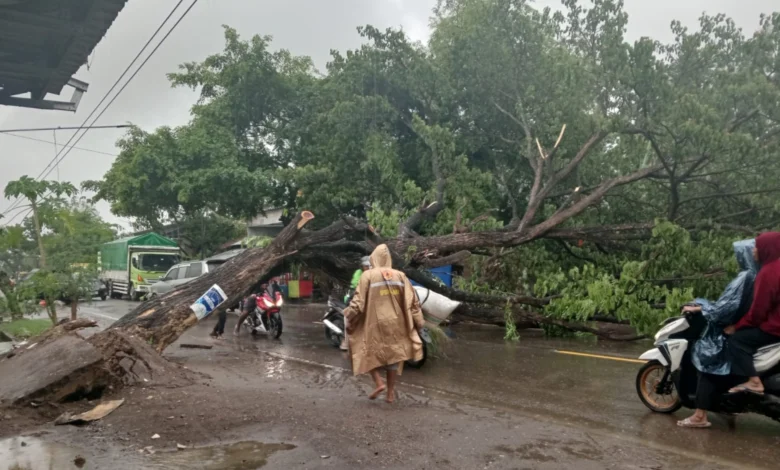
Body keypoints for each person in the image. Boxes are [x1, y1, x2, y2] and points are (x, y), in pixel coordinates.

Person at [677, 239, 757, 429]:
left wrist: (700, 306)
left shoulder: (745, 277)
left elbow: (724, 308)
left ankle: (699, 416)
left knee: (707, 363)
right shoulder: (759, 276)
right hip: (746, 327)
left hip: (729, 327)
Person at [344, 244, 425, 403]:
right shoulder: (401, 276)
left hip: (374, 323)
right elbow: (413, 302)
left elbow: (358, 303)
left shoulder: (367, 276)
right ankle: (390, 394)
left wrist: (349, 317)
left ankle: (379, 383)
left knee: (364, 349)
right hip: (397, 323)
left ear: (374, 258)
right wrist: (419, 322)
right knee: (393, 356)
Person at [726, 231, 780, 395]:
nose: (753, 250)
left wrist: (737, 326)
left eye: (757, 247)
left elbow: (758, 312)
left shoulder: (768, 272)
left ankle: (754, 381)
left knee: (737, 341)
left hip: (774, 328)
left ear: (767, 248)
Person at [340, 256, 371, 351]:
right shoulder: (359, 273)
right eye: (366, 266)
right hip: (353, 297)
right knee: (348, 316)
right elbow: (358, 287)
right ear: (362, 266)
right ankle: (346, 341)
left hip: (369, 300)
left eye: (369, 266)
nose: (368, 268)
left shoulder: (374, 274)